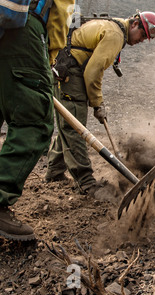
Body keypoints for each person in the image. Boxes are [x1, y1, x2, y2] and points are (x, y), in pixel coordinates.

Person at [45, 10, 155, 196]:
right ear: (134, 23)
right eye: (142, 34)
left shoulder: (114, 27)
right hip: (70, 74)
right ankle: (86, 181)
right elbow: (93, 72)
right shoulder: (115, 34)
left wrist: (96, 102)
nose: (141, 40)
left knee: (70, 122)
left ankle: (54, 171)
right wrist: (98, 104)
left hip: (68, 70)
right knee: (74, 127)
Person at [0, 0, 75, 241]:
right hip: (23, 30)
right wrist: (48, 57)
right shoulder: (113, 34)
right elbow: (61, 16)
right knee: (35, 117)